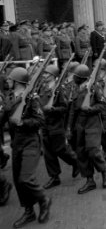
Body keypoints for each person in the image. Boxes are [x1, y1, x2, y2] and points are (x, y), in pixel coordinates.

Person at [5, 67, 51, 228]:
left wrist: (23, 123)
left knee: (26, 178)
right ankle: (29, 212)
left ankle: (43, 199)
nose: (7, 81)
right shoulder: (10, 96)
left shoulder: (32, 98)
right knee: (18, 180)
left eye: (10, 79)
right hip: (16, 143)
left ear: (17, 81)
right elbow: (4, 115)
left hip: (31, 142)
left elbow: (40, 121)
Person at [67, 64, 106, 194]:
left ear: (81, 78)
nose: (73, 78)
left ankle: (104, 171)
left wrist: (91, 109)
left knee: (93, 151)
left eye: (76, 76)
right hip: (79, 125)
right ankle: (89, 180)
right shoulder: (75, 89)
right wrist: (69, 128)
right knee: (81, 153)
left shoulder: (94, 87)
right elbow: (72, 111)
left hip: (92, 123)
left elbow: (102, 104)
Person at [38, 65, 79, 190]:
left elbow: (65, 108)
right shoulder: (42, 88)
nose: (44, 76)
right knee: (48, 153)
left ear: (53, 76)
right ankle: (54, 177)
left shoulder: (59, 90)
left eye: (47, 74)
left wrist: (53, 109)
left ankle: (75, 162)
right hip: (45, 124)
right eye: (44, 74)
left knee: (60, 149)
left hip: (56, 124)